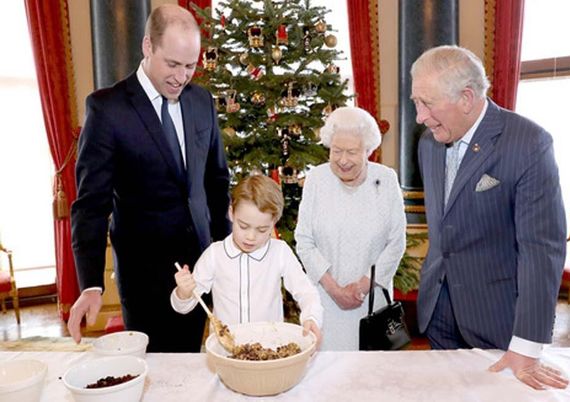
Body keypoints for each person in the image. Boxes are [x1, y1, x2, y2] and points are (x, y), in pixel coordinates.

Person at [68, 4, 231, 352]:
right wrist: (90, 283)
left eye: (190, 66)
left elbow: (216, 183)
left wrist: (228, 254)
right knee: (156, 373)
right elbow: (91, 205)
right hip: (146, 279)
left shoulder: (201, 101)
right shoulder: (107, 109)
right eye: (172, 64)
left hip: (201, 267)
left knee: (193, 364)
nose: (181, 76)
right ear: (147, 46)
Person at [411, 45, 569, 389]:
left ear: (466, 98)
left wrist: (527, 345)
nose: (420, 116)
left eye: (427, 103)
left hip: (496, 318)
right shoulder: (428, 142)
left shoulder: (528, 143)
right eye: (415, 103)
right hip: (437, 309)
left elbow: (542, 250)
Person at [294, 106, 406, 350]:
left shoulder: (386, 180)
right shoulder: (316, 179)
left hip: (371, 303)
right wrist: (334, 289)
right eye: (336, 151)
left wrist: (362, 285)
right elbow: (304, 240)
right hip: (324, 300)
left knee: (371, 375)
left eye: (352, 152)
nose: (343, 160)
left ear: (368, 151)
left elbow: (396, 242)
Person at [172, 175, 323, 344]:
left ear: (274, 221)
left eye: (261, 229)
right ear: (231, 213)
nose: (250, 237)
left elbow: (307, 292)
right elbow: (183, 307)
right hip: (226, 351)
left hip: (269, 349)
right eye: (243, 226)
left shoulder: (279, 252)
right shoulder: (215, 254)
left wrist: (312, 317)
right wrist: (183, 293)